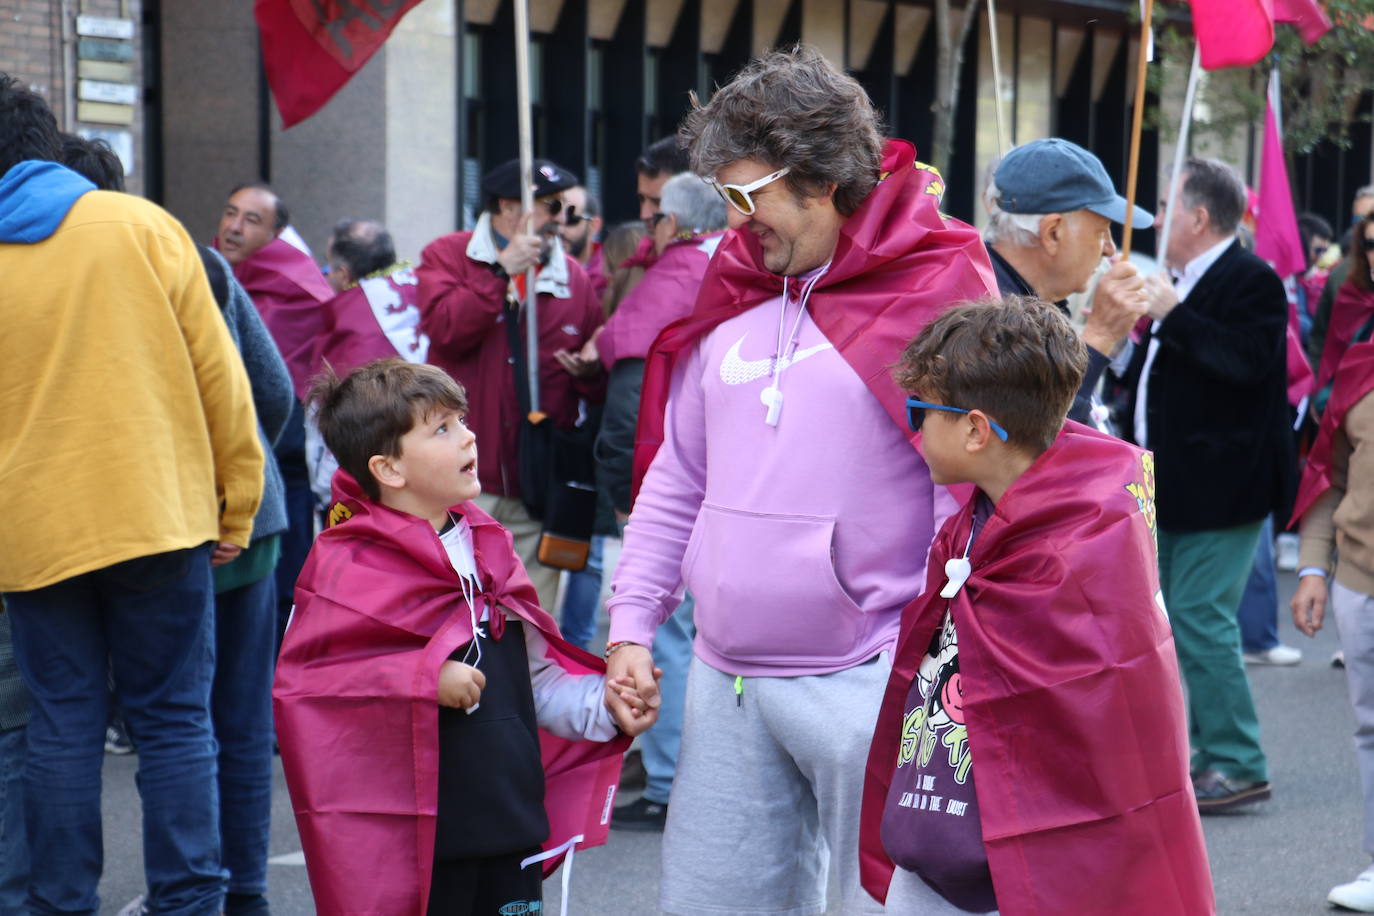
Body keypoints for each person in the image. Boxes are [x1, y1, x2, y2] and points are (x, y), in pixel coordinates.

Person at [604, 46, 996, 915]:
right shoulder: (737, 282)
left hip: (871, 676)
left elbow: (970, 495)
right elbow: (678, 479)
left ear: (820, 181)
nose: (735, 221)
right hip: (724, 678)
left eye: (748, 196)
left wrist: (932, 662)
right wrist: (632, 625)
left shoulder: (937, 286)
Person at [0, 73, 263, 915]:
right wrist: (239, 505)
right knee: (175, 721)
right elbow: (223, 383)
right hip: (159, 517)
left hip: (32, 533)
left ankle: (59, 902)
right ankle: (190, 901)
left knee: (61, 727)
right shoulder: (143, 226)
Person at [860, 297, 1213, 915]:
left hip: (1028, 860)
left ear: (974, 430)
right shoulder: (973, 519)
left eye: (922, 412)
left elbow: (1101, 731)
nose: (912, 427)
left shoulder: (1080, 545)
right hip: (942, 823)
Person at [273, 358, 648, 915]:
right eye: (441, 428)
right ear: (389, 469)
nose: (468, 435)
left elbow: (534, 685)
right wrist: (425, 678)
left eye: (462, 420)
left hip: (510, 830)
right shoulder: (345, 565)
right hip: (418, 853)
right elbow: (313, 691)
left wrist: (607, 706)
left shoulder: (488, 545)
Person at [1126, 156, 1295, 812]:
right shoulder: (1179, 278)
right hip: (1173, 482)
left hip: (1223, 486)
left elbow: (1246, 364)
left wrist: (1174, 314)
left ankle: (1236, 758)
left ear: (1198, 217)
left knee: (1199, 616)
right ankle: (1204, 757)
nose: (1159, 220)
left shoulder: (1251, 279)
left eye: (1167, 209)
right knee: (1176, 621)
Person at [585, 172, 728, 832]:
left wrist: (622, 497)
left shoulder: (674, 276)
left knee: (665, 638)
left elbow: (627, 403)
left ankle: (671, 781)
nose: (647, 227)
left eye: (654, 214)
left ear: (674, 225)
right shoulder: (739, 267)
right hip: (730, 488)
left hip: (671, 489)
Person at [417, 158, 605, 611]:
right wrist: (498, 272)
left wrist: (590, 372)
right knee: (453, 617)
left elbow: (593, 390)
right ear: (507, 205)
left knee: (528, 624)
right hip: (453, 481)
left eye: (564, 207)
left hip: (535, 486)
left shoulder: (574, 279)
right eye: (549, 206)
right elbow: (445, 329)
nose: (560, 218)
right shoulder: (447, 254)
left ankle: (522, 687)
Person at [199, 246, 295, 916]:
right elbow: (274, 387)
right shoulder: (197, 258)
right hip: (253, 513)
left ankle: (191, 879)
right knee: (241, 716)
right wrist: (252, 461)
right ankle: (245, 890)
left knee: (176, 719)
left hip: (164, 527)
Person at [216, 183, 334, 645]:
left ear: (277, 233)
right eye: (230, 213)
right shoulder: (213, 271)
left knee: (280, 585)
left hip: (280, 453)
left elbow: (279, 385)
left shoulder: (297, 285)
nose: (233, 227)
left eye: (250, 220)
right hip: (224, 455)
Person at [982, 138, 1152, 427]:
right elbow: (1029, 446)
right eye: (1101, 232)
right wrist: (1099, 336)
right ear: (1053, 233)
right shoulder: (986, 314)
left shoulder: (1019, 298)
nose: (1110, 248)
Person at [1291, 338, 1374, 913]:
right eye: (1367, 245)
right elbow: (1330, 473)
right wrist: (1315, 566)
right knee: (1372, 730)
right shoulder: (1362, 363)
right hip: (1360, 582)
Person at [1313, 214, 1374, 411]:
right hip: (1347, 407)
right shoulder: (1347, 287)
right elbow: (1326, 345)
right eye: (1370, 244)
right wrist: (1320, 393)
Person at [560, 185, 607, 301]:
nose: (559, 229)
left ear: (594, 226)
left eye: (571, 219)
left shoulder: (611, 276)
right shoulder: (531, 272)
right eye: (554, 219)